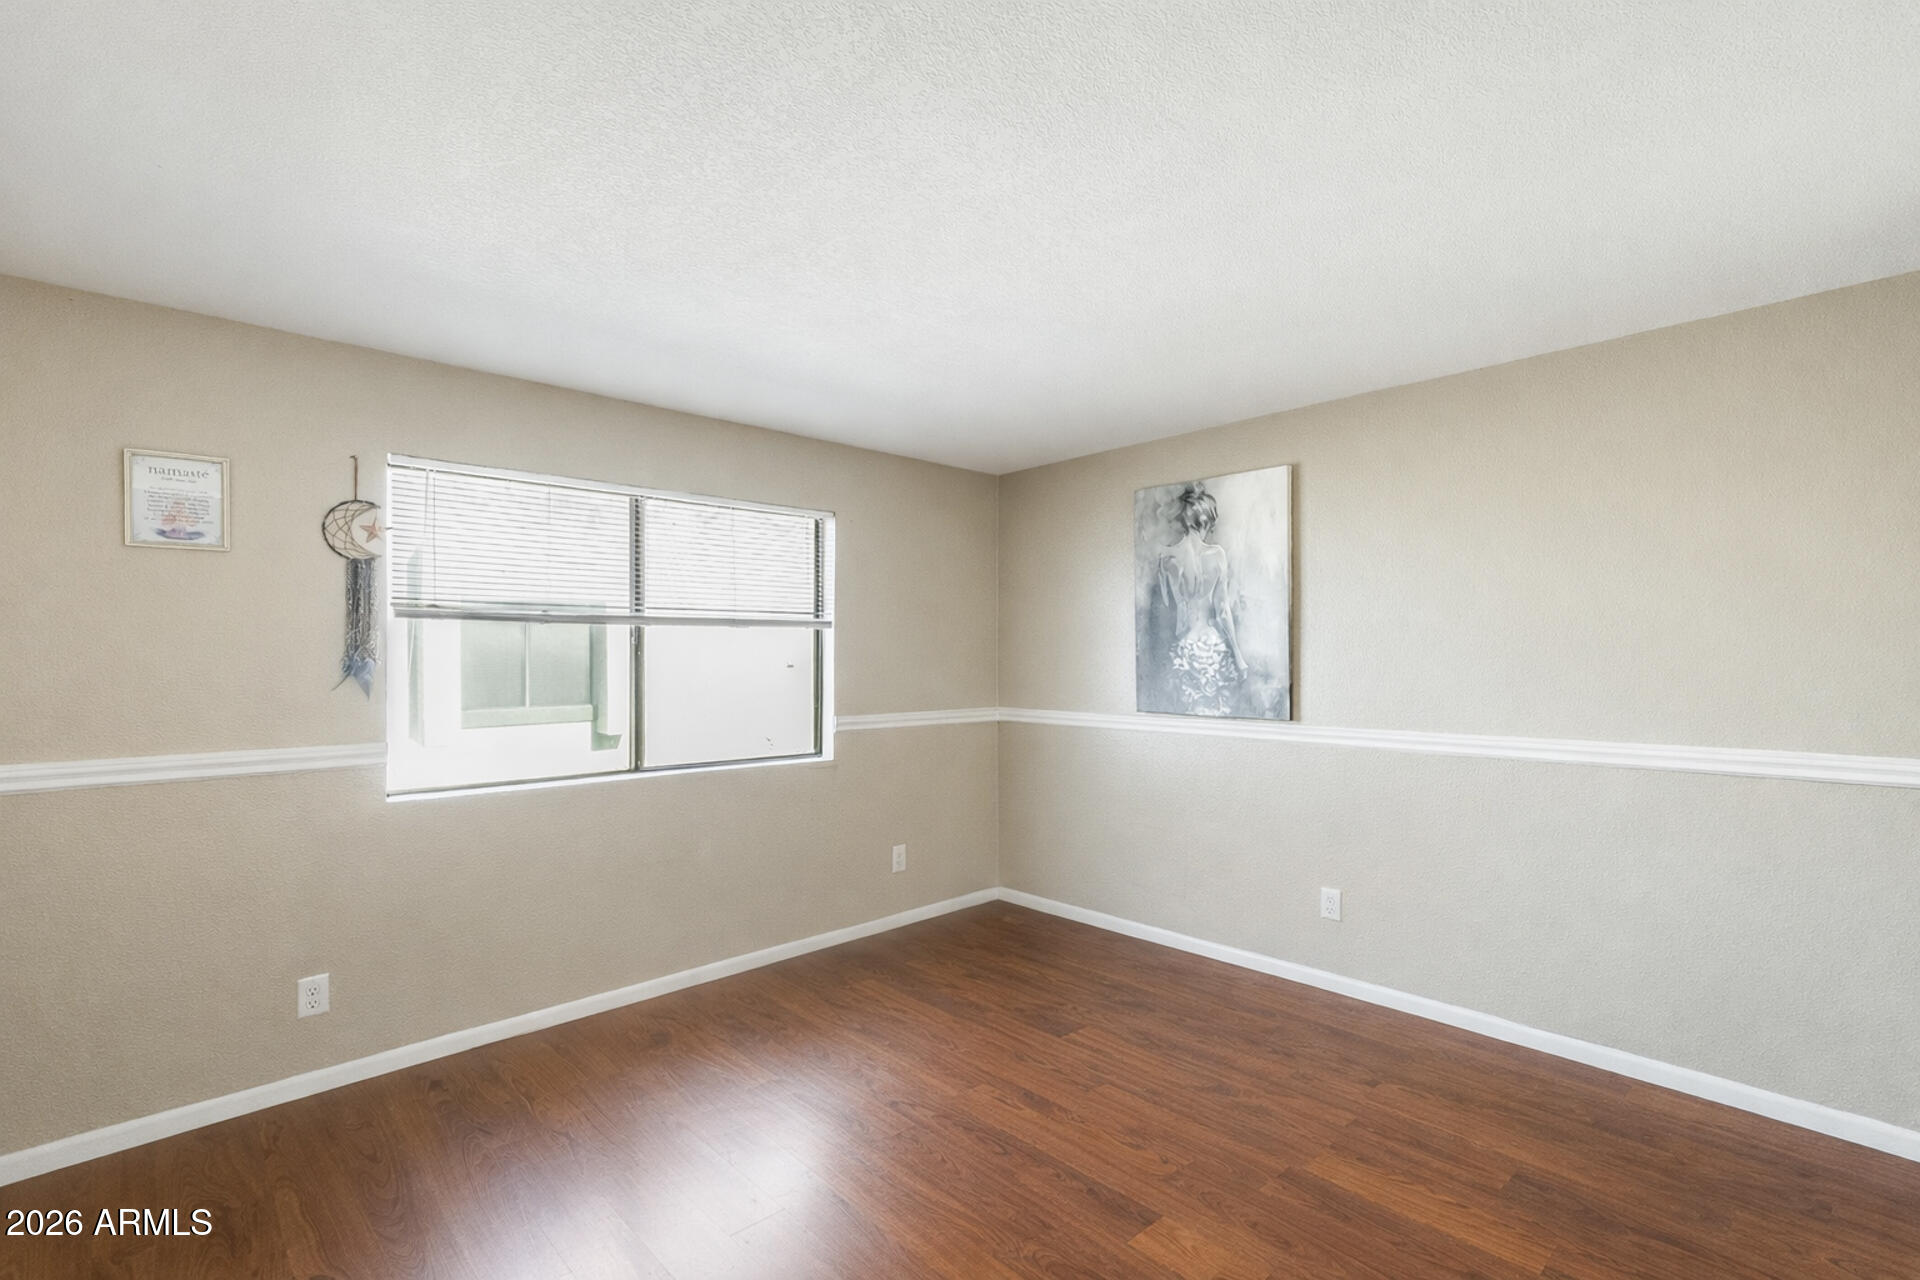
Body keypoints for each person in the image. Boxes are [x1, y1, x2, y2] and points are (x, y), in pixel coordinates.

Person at [1156, 482, 1246, 715]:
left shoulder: (1166, 558)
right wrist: (1238, 655)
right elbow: (1222, 610)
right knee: (1213, 713)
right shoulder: (1216, 555)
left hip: (1182, 646)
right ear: (1204, 522)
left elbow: (1167, 604)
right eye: (1210, 524)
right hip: (1210, 644)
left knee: (1185, 712)